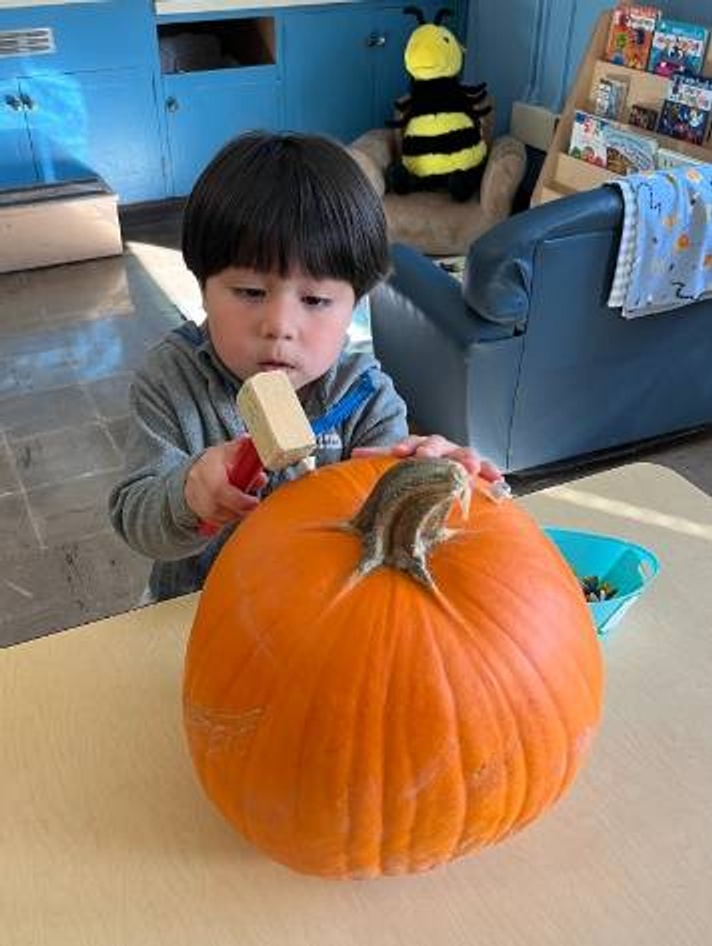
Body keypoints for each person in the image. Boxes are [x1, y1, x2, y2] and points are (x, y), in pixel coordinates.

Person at [109, 130, 500, 602]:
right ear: (201, 284)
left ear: (356, 303)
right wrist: (190, 496)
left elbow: (385, 516)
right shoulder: (172, 381)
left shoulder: (364, 397)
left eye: (315, 300)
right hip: (199, 607)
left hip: (320, 609)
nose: (279, 325)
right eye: (251, 293)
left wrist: (424, 481)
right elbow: (135, 518)